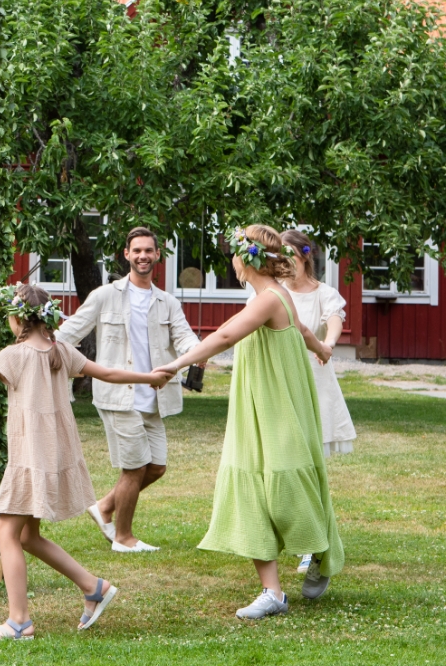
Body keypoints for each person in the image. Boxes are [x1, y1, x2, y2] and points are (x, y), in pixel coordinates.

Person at [0, 283, 173, 639]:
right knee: (29, 536)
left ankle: (19, 621)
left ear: (17, 318)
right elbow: (107, 372)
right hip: (54, 452)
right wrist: (148, 377)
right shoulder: (61, 350)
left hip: (31, 455)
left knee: (6, 530)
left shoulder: (13, 356)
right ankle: (94, 588)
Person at [150, 225, 344, 621]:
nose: (232, 262)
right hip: (257, 405)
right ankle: (272, 591)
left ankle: (320, 552)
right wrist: (321, 346)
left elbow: (224, 336)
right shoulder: (272, 295)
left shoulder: (270, 298)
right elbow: (305, 330)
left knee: (288, 482)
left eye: (235, 255)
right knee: (252, 488)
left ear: (246, 258)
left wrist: (175, 364)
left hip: (278, 405)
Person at [55, 226, 200, 553]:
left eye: (148, 250)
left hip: (155, 398)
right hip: (118, 397)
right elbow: (69, 333)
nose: (143, 256)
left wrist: (197, 356)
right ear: (126, 254)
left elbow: (186, 338)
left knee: (156, 467)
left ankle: (104, 506)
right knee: (134, 468)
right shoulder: (105, 296)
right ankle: (123, 538)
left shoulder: (167, 302)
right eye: (137, 251)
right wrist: (50, 356)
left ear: (158, 255)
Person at [279, 229, 357, 574]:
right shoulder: (273, 293)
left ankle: (313, 544)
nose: (284, 262)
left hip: (315, 376)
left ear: (305, 256)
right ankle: (296, 535)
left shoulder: (325, 293)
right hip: (283, 380)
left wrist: (328, 345)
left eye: (290, 255)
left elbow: (333, 321)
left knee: (311, 467)